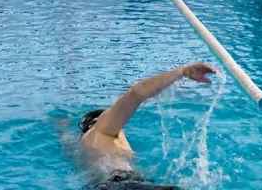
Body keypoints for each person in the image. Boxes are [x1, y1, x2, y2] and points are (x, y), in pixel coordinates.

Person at [79, 62, 216, 189]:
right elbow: (136, 94)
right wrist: (182, 72)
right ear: (97, 120)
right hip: (123, 184)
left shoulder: (87, 145)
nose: (121, 125)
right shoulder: (103, 128)